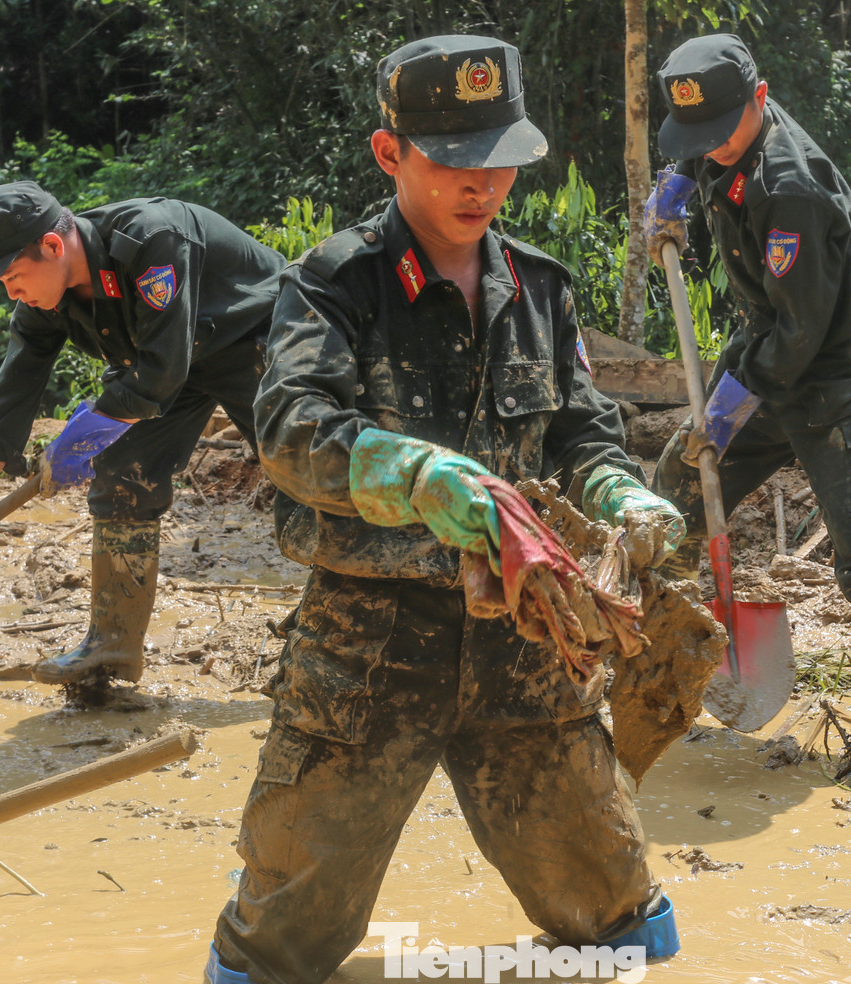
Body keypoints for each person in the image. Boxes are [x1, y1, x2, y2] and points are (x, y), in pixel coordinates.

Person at [204, 34, 684, 984]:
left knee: (611, 916)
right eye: (455, 162)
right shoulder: (333, 285)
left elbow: (580, 431)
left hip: (528, 642)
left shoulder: (540, 289)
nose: (482, 185)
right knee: (281, 941)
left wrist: (619, 491)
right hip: (369, 648)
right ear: (391, 155)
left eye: (500, 161)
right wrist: (414, 475)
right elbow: (290, 427)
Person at [643, 34, 851, 774]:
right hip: (762, 358)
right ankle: (655, 671)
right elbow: (698, 146)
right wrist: (674, 190)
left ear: (761, 95)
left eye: (718, 134)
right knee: (669, 498)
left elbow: (802, 332)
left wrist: (727, 411)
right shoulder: (719, 141)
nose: (708, 148)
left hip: (830, 378)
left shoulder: (792, 186)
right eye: (696, 138)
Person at [0, 182, 287, 686]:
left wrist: (82, 438)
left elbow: (160, 372)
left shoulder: (152, 241)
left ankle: (340, 627)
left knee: (304, 473)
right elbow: (13, 394)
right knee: (120, 474)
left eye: (13, 276)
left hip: (256, 339)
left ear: (52, 246)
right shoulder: (46, 302)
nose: (11, 293)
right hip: (168, 368)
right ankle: (112, 647)